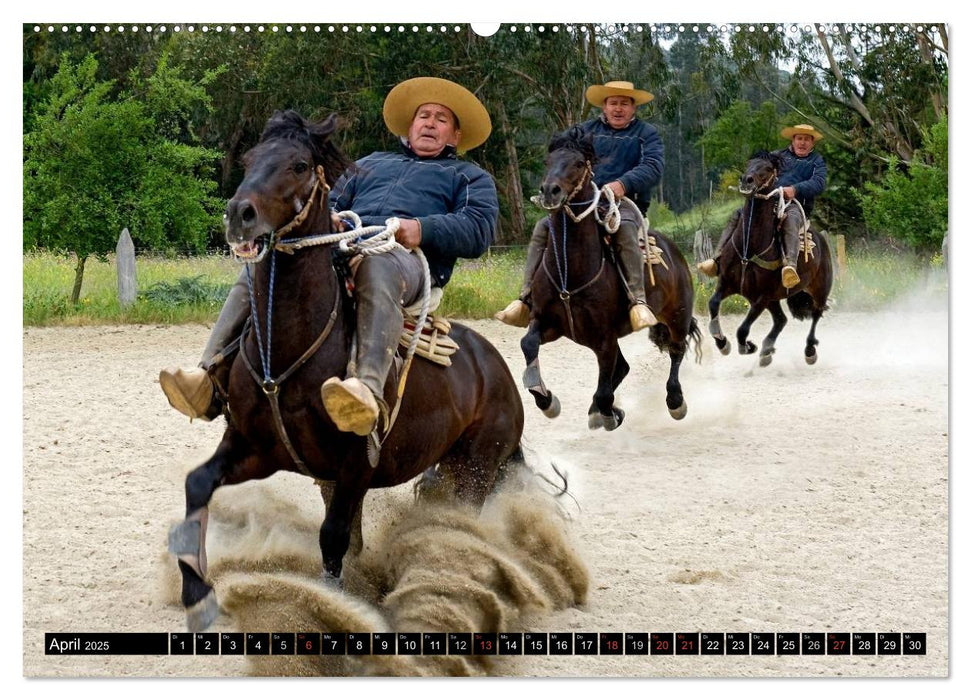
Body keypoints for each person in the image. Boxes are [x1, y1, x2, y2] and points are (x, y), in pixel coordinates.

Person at [160, 77, 499, 437]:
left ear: (456, 136)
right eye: (424, 116)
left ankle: (366, 387)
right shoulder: (370, 164)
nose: (430, 123)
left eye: (441, 119)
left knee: (376, 267)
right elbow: (327, 200)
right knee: (260, 268)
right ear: (410, 127)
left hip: (406, 259)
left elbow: (477, 229)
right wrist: (330, 217)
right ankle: (208, 377)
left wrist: (421, 228)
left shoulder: (469, 177)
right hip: (340, 244)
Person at [495, 80, 664, 331]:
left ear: (634, 108)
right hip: (583, 201)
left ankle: (637, 300)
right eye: (613, 103)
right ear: (604, 106)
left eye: (624, 104)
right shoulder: (585, 131)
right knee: (543, 227)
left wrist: (623, 184)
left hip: (625, 203)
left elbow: (653, 167)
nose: (618, 109)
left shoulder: (646, 134)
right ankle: (525, 298)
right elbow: (563, 159)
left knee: (626, 229)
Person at [698, 123, 827, 288]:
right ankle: (717, 259)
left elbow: (819, 183)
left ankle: (790, 266)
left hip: (795, 205)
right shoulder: (777, 156)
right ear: (793, 140)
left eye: (806, 140)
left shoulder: (816, 162)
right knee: (738, 215)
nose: (802, 143)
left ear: (812, 143)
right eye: (799, 138)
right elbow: (758, 169)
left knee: (791, 220)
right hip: (768, 200)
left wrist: (795, 189)